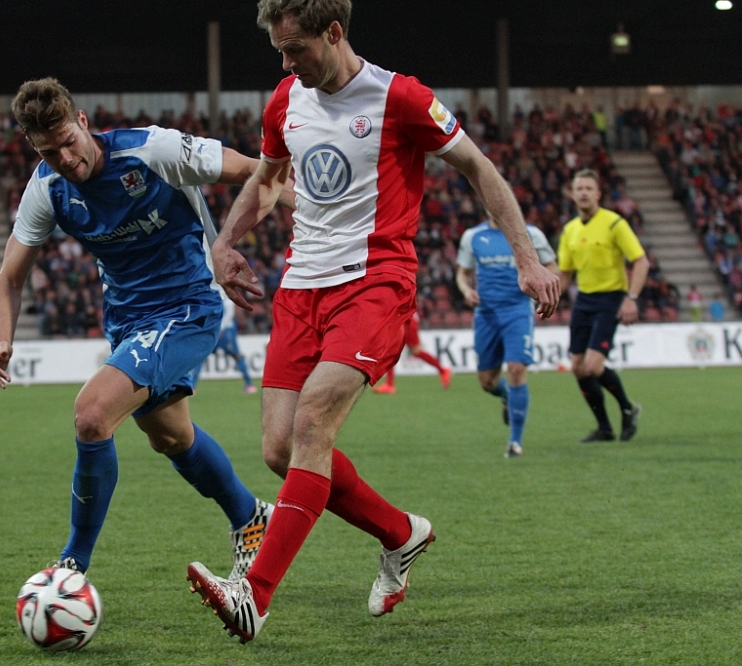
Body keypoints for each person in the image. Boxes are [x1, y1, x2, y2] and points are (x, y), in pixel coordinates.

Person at [186, 0, 560, 644]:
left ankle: (255, 595)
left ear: (334, 33)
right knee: (279, 450)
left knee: (313, 422)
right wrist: (223, 244)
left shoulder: (400, 97)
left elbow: (479, 168)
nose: (287, 63)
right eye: (280, 51)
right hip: (301, 288)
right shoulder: (285, 99)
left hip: (374, 284)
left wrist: (526, 258)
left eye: (296, 48)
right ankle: (401, 533)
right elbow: (268, 179)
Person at [0, 78, 291, 586]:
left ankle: (72, 566)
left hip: (188, 304)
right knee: (170, 437)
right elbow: (9, 278)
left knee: (91, 415)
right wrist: (2, 338)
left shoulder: (151, 150)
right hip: (129, 321)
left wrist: (313, 214)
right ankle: (250, 518)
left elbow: (252, 169)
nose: (65, 158)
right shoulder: (47, 188)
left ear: (83, 122)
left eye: (68, 141)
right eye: (48, 151)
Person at [456, 217, 558, 458]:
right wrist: (466, 290)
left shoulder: (530, 234)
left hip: (517, 311)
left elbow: (553, 268)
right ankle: (507, 396)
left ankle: (515, 442)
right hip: (486, 314)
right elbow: (462, 273)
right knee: (487, 382)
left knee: (516, 368)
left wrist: (542, 291)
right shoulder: (473, 236)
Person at [558, 169, 647, 443]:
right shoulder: (570, 230)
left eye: (589, 188)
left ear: (598, 194)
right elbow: (565, 273)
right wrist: (549, 298)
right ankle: (605, 428)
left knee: (593, 365)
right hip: (584, 300)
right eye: (579, 188)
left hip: (611, 298)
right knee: (578, 366)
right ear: (572, 194)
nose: (584, 193)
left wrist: (631, 298)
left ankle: (628, 408)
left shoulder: (614, 223)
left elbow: (641, 261)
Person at [195, 288, 258, 393]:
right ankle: (192, 386)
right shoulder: (216, 294)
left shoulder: (223, 294)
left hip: (225, 331)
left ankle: (249, 384)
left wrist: (220, 329)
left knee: (236, 356)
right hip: (217, 330)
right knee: (202, 357)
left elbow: (229, 314)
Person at [371, 312, 451, 394]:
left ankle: (389, 385)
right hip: (404, 319)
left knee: (396, 351)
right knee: (409, 351)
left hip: (407, 320)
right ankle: (442, 370)